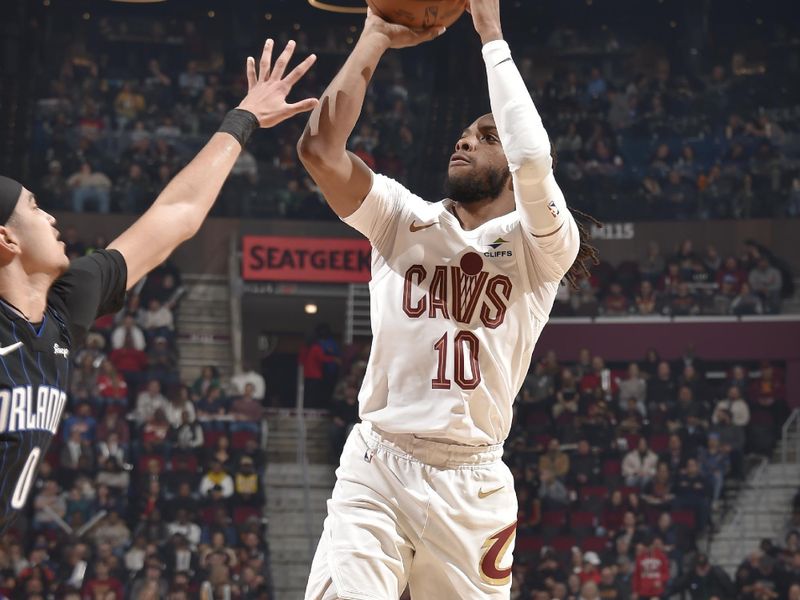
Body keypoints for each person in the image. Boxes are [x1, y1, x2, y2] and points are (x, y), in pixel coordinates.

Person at [297, 1, 599, 597]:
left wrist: (491, 34)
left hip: (473, 482)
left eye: (487, 136)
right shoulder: (400, 218)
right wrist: (374, 36)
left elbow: (535, 159)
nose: (465, 141)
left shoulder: (544, 249)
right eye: (464, 134)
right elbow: (320, 152)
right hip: (378, 463)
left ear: (511, 162)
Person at [0, 39, 318, 533]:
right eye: (36, 208)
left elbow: (175, 216)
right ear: (6, 237)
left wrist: (244, 117)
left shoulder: (66, 303)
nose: (51, 216)